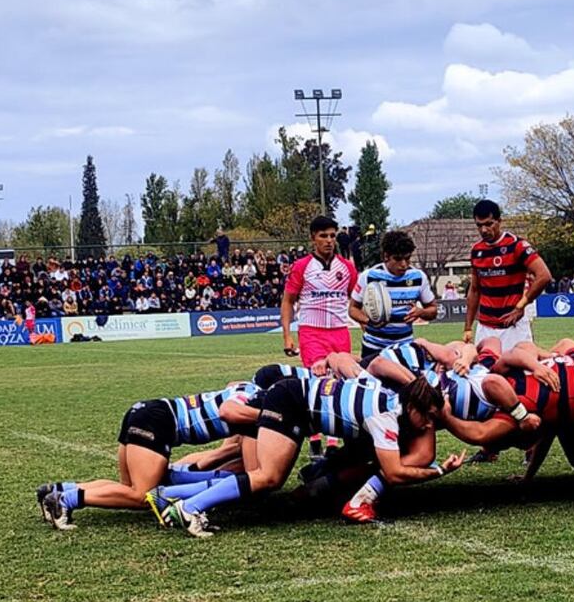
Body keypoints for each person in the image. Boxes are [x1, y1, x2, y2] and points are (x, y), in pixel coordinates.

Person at [156, 376, 466, 537]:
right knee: (268, 477)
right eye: (427, 417)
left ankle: (168, 495)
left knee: (267, 478)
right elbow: (395, 473)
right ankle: (190, 507)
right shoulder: (385, 416)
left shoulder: (395, 401)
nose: (429, 426)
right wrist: (439, 472)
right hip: (291, 401)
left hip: (295, 401)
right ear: (413, 407)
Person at [38, 381, 260, 530]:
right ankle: (65, 501)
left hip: (147, 410)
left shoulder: (246, 386)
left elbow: (231, 387)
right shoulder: (257, 399)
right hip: (157, 421)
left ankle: (58, 489)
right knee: (144, 496)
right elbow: (228, 415)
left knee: (127, 488)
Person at [281, 215, 358, 456]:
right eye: (323, 236)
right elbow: (288, 301)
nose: (329, 241)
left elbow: (354, 302)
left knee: (339, 384)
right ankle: (314, 438)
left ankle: (333, 443)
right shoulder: (302, 266)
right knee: (317, 382)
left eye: (332, 236)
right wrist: (287, 335)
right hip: (311, 333)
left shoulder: (347, 268)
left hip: (340, 332)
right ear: (313, 238)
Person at [463, 200, 552, 352]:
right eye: (479, 225)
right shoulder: (476, 251)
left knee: (521, 373)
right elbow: (475, 290)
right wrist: (468, 327)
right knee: (485, 374)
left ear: (499, 221)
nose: (484, 230)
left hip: (513, 328)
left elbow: (544, 276)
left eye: (489, 224)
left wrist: (521, 305)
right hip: (485, 328)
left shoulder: (517, 245)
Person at [349, 230, 437, 359]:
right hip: (373, 348)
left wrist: (420, 312)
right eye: (398, 259)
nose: (404, 264)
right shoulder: (369, 276)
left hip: (405, 347)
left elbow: (433, 310)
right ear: (386, 256)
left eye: (407, 259)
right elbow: (352, 309)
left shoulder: (418, 277)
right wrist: (369, 321)